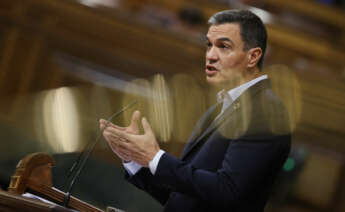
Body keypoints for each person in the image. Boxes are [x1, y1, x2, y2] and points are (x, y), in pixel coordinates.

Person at [100, 9, 291, 212]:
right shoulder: (217, 109)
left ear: (252, 57)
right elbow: (183, 196)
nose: (210, 56)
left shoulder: (267, 112)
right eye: (209, 45)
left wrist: (155, 157)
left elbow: (227, 192)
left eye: (224, 46)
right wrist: (135, 158)